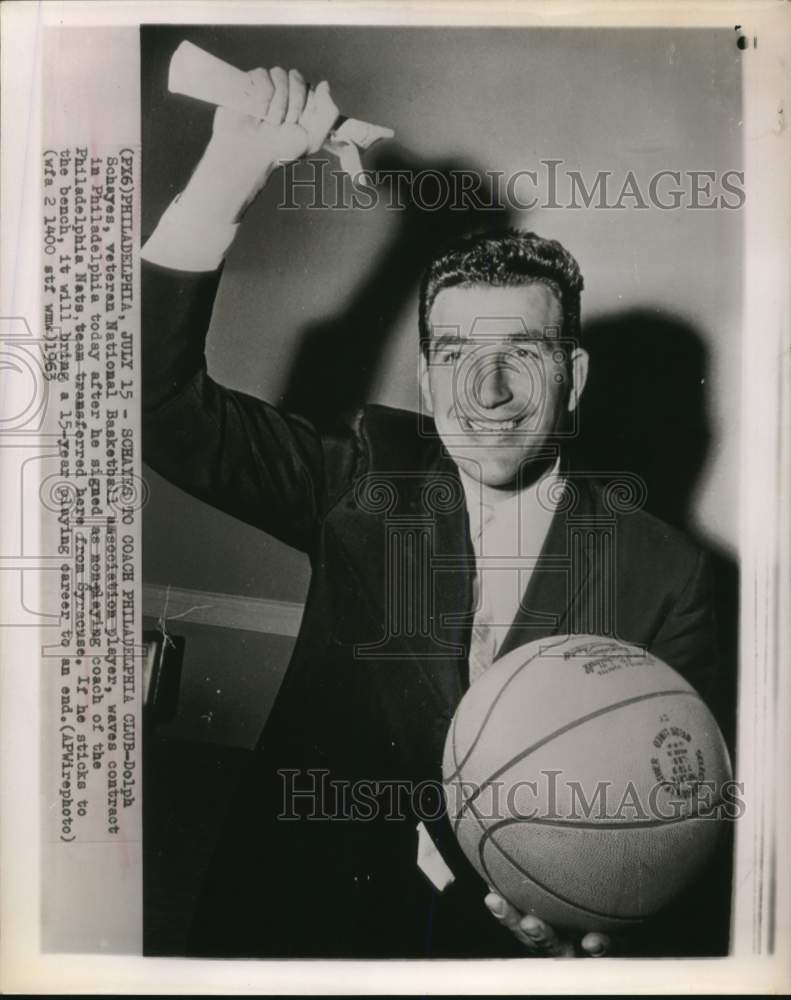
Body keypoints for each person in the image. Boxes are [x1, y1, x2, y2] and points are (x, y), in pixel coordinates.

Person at [142, 67, 729, 958]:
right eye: (455, 354)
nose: (485, 392)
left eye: (521, 354)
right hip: (297, 915)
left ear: (570, 380)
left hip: (490, 949)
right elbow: (150, 401)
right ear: (424, 380)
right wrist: (233, 166)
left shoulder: (670, 577)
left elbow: (672, 809)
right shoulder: (362, 487)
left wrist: (603, 924)